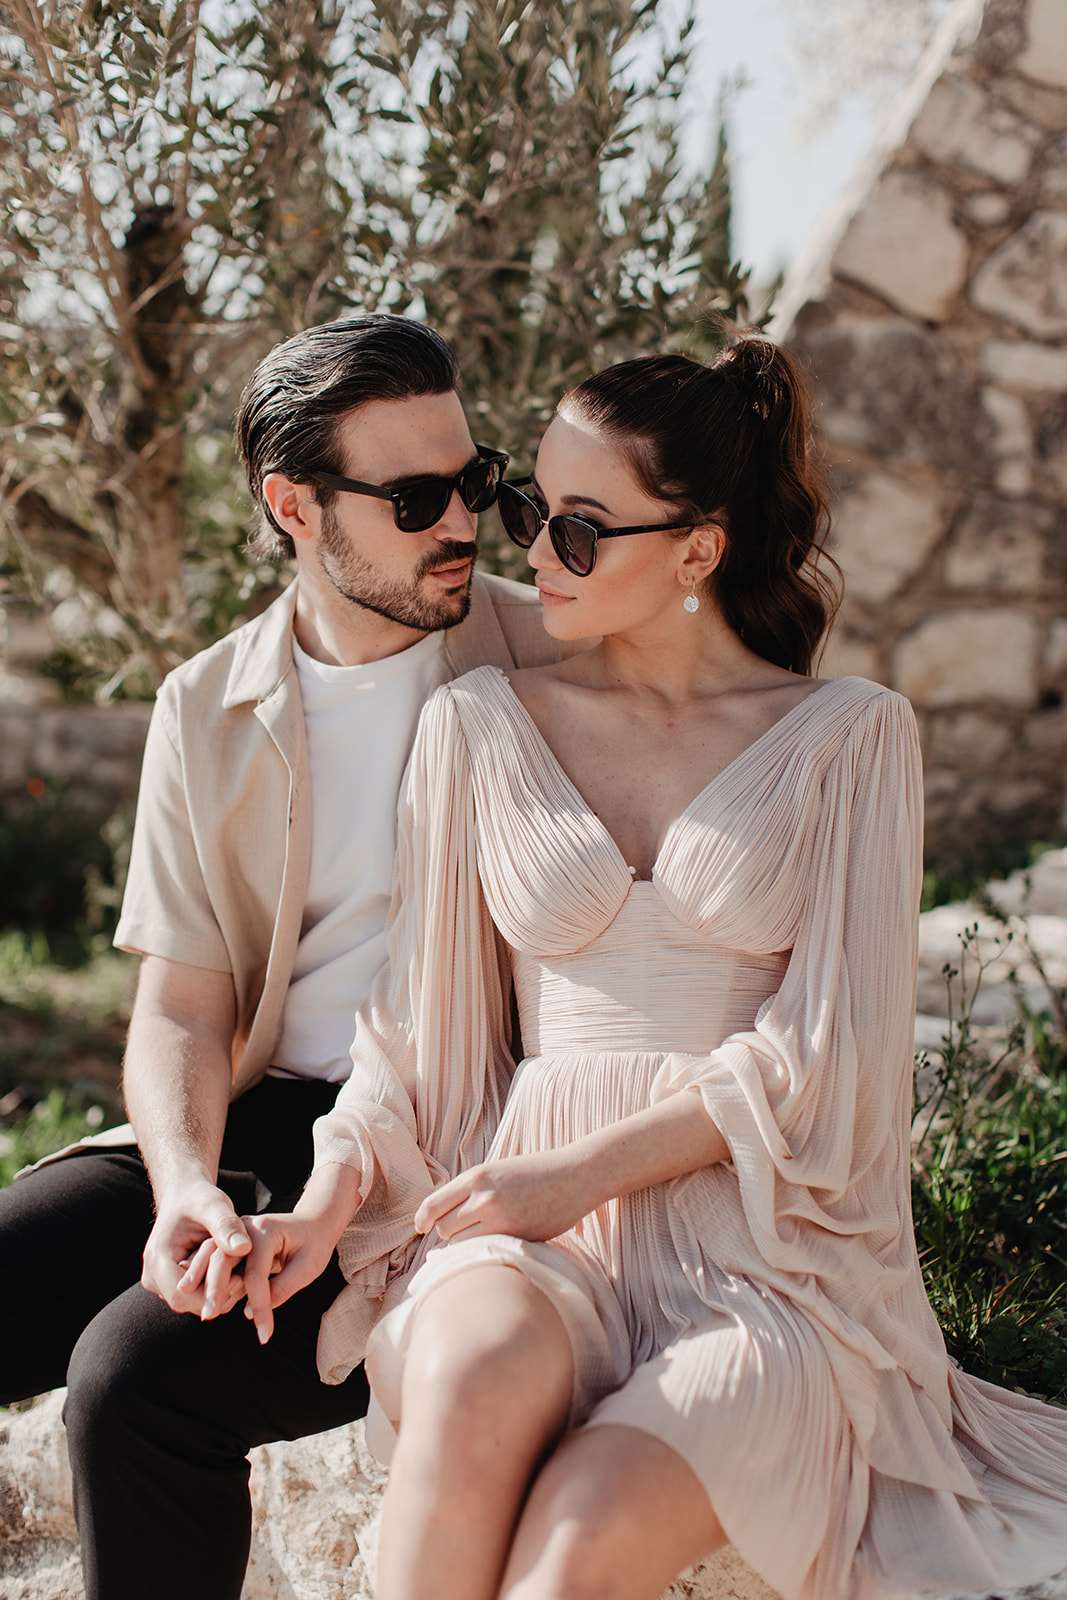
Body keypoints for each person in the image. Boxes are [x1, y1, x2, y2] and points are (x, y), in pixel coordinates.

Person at [211, 328, 1067, 1600]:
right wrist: (330, 1200)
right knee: (463, 1380)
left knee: (573, 1548)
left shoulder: (849, 739)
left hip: (766, 1258)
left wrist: (580, 1172)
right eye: (531, 512)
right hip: (522, 1229)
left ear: (697, 548)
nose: (533, 553)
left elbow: (827, 1056)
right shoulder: (479, 726)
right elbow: (416, 1038)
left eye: (579, 528)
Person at [0, 313, 583, 1600]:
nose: (460, 524)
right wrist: (185, 1189)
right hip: (264, 1112)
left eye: (471, 482)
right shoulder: (204, 705)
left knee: (131, 1383)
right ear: (293, 505)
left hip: (447, 1139)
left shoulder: (550, 659)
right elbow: (180, 1001)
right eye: (415, 497)